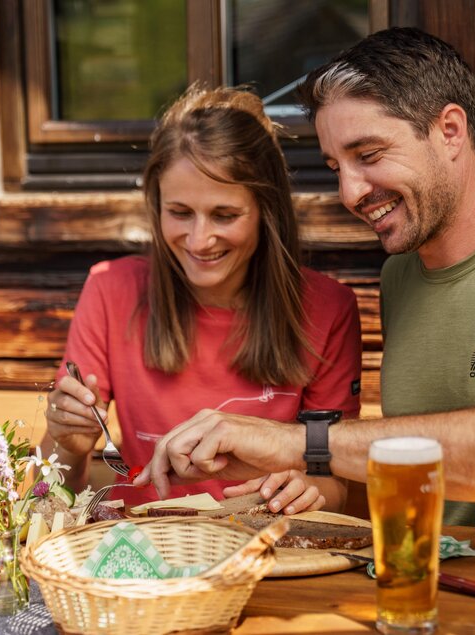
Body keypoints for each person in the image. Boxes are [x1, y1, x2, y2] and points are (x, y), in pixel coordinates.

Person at [136, 28, 475, 539]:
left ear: (450, 131)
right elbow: (408, 465)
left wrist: (302, 443)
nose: (350, 191)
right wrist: (296, 481)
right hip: (428, 593)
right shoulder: (402, 275)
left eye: (368, 155)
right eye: (335, 166)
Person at [44, 85, 363, 514]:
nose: (199, 240)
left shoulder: (328, 308)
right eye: (179, 213)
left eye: (224, 215)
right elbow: (52, 491)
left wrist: (309, 488)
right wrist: (70, 444)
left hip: (262, 553)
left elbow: (335, 486)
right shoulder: (110, 290)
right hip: (141, 554)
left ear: (267, 211)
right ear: (155, 205)